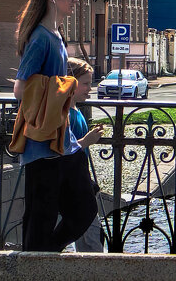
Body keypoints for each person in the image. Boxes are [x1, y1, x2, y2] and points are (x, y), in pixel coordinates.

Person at [13, 0, 98, 252]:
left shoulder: (56, 35)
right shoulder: (40, 38)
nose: (76, 1)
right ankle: (38, 263)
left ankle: (47, 254)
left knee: (84, 209)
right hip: (42, 143)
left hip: (63, 142)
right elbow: (20, 89)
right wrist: (60, 89)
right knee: (41, 216)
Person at [67, 58, 105, 252]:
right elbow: (65, 149)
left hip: (81, 180)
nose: (90, 88)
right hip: (74, 185)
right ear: (70, 83)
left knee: (88, 238)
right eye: (86, 84)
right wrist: (86, 141)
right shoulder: (66, 113)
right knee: (91, 242)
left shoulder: (76, 110)